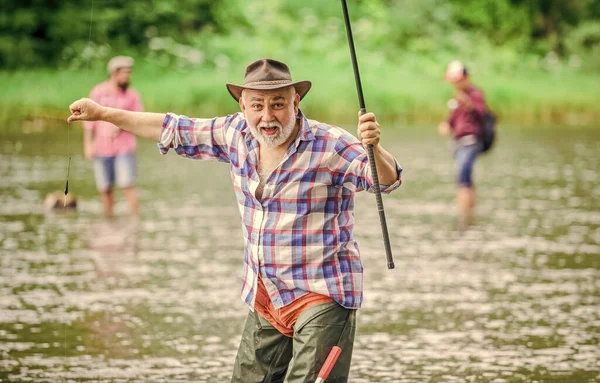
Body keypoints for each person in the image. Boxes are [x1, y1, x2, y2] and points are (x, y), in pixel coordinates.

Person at [67, 58, 403, 382]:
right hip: (267, 295)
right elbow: (170, 127)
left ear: (295, 101)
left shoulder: (330, 143)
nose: (267, 116)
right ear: (243, 106)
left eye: (277, 104)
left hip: (322, 295)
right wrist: (102, 114)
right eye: (257, 105)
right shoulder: (235, 134)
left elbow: (384, 180)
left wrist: (374, 147)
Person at [83, 56, 143, 217]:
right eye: (124, 73)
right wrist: (88, 145)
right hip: (101, 148)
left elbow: (140, 120)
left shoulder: (132, 95)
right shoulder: (98, 92)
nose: (127, 77)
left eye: (129, 73)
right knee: (105, 187)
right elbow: (89, 123)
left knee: (127, 184)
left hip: (124, 147)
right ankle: (109, 219)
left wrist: (122, 125)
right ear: (114, 73)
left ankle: (135, 220)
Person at [438, 60, 488, 229]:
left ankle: (464, 214)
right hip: (458, 142)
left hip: (471, 141)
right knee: (464, 176)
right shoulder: (456, 98)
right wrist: (446, 124)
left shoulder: (475, 94)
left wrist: (467, 102)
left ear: (466, 77)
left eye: (458, 80)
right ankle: (468, 211)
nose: (455, 84)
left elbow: (482, 114)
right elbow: (453, 118)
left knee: (463, 175)